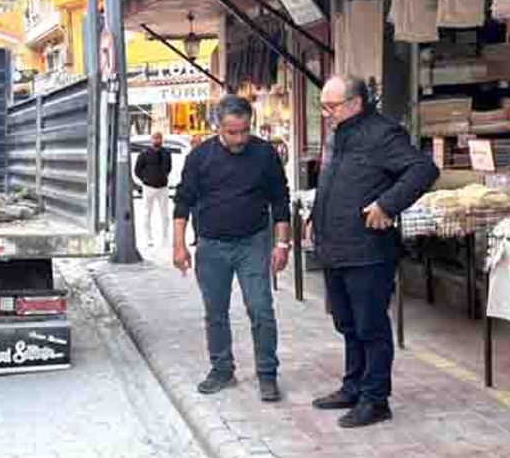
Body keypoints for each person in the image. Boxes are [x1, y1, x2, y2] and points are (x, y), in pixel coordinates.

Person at [309, 75, 439, 428]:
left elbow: (423, 169)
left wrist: (387, 205)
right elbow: (335, 183)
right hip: (336, 246)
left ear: (355, 104)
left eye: (331, 106)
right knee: (346, 322)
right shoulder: (341, 135)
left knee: (370, 326)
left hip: (367, 250)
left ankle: (375, 398)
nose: (325, 113)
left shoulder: (382, 134)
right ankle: (353, 386)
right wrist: (314, 218)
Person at [173, 94, 291, 403]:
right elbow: (182, 202)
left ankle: (267, 373)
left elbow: (280, 201)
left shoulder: (265, 154)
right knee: (215, 312)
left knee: (261, 308)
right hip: (211, 246)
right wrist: (178, 246)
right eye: (232, 132)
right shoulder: (199, 158)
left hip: (253, 242)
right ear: (218, 127)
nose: (239, 138)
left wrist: (281, 243)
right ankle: (221, 369)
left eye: (244, 130)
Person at [134, 132, 172, 247]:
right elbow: (137, 170)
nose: (157, 141)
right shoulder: (144, 154)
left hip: (163, 187)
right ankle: (148, 239)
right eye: (155, 138)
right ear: (151, 140)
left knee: (164, 215)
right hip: (148, 187)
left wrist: (163, 176)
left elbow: (169, 168)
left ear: (162, 140)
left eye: (159, 138)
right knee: (147, 214)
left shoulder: (166, 153)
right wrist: (145, 179)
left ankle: (165, 238)